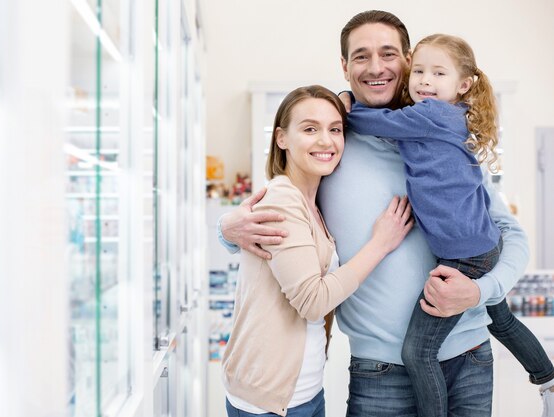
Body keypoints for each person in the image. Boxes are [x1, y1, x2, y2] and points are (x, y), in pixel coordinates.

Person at [218, 10, 530, 417]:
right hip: (379, 370)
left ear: (408, 60)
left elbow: (510, 233)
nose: (376, 67)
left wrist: (480, 291)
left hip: (468, 356)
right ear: (345, 68)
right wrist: (227, 229)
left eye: (388, 53)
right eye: (361, 56)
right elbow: (287, 214)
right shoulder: (331, 144)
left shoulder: (444, 140)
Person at [346, 33, 554, 417]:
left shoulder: (429, 115)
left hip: (464, 258)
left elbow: (370, 121)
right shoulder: (443, 118)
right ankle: (547, 378)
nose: (426, 80)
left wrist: (342, 105)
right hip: (478, 247)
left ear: (463, 85)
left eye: (437, 73)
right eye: (421, 72)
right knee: (502, 319)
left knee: (418, 352)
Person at [221, 85, 414, 417]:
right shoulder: (283, 199)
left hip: (305, 391)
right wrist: (380, 244)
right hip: (267, 401)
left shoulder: (314, 201)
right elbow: (313, 302)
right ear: (281, 138)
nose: (326, 141)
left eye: (335, 129)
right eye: (310, 129)